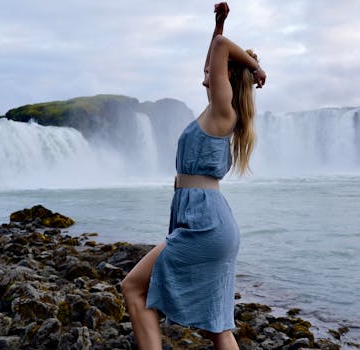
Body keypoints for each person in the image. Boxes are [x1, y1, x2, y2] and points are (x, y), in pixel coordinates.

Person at [121, 3, 266, 349]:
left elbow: (219, 51)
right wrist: (219, 24)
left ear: (226, 76)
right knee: (217, 325)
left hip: (206, 224)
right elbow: (215, 53)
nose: (207, 68)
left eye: (216, 69)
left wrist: (255, 66)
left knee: (133, 287)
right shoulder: (218, 111)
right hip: (207, 220)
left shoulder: (222, 111)